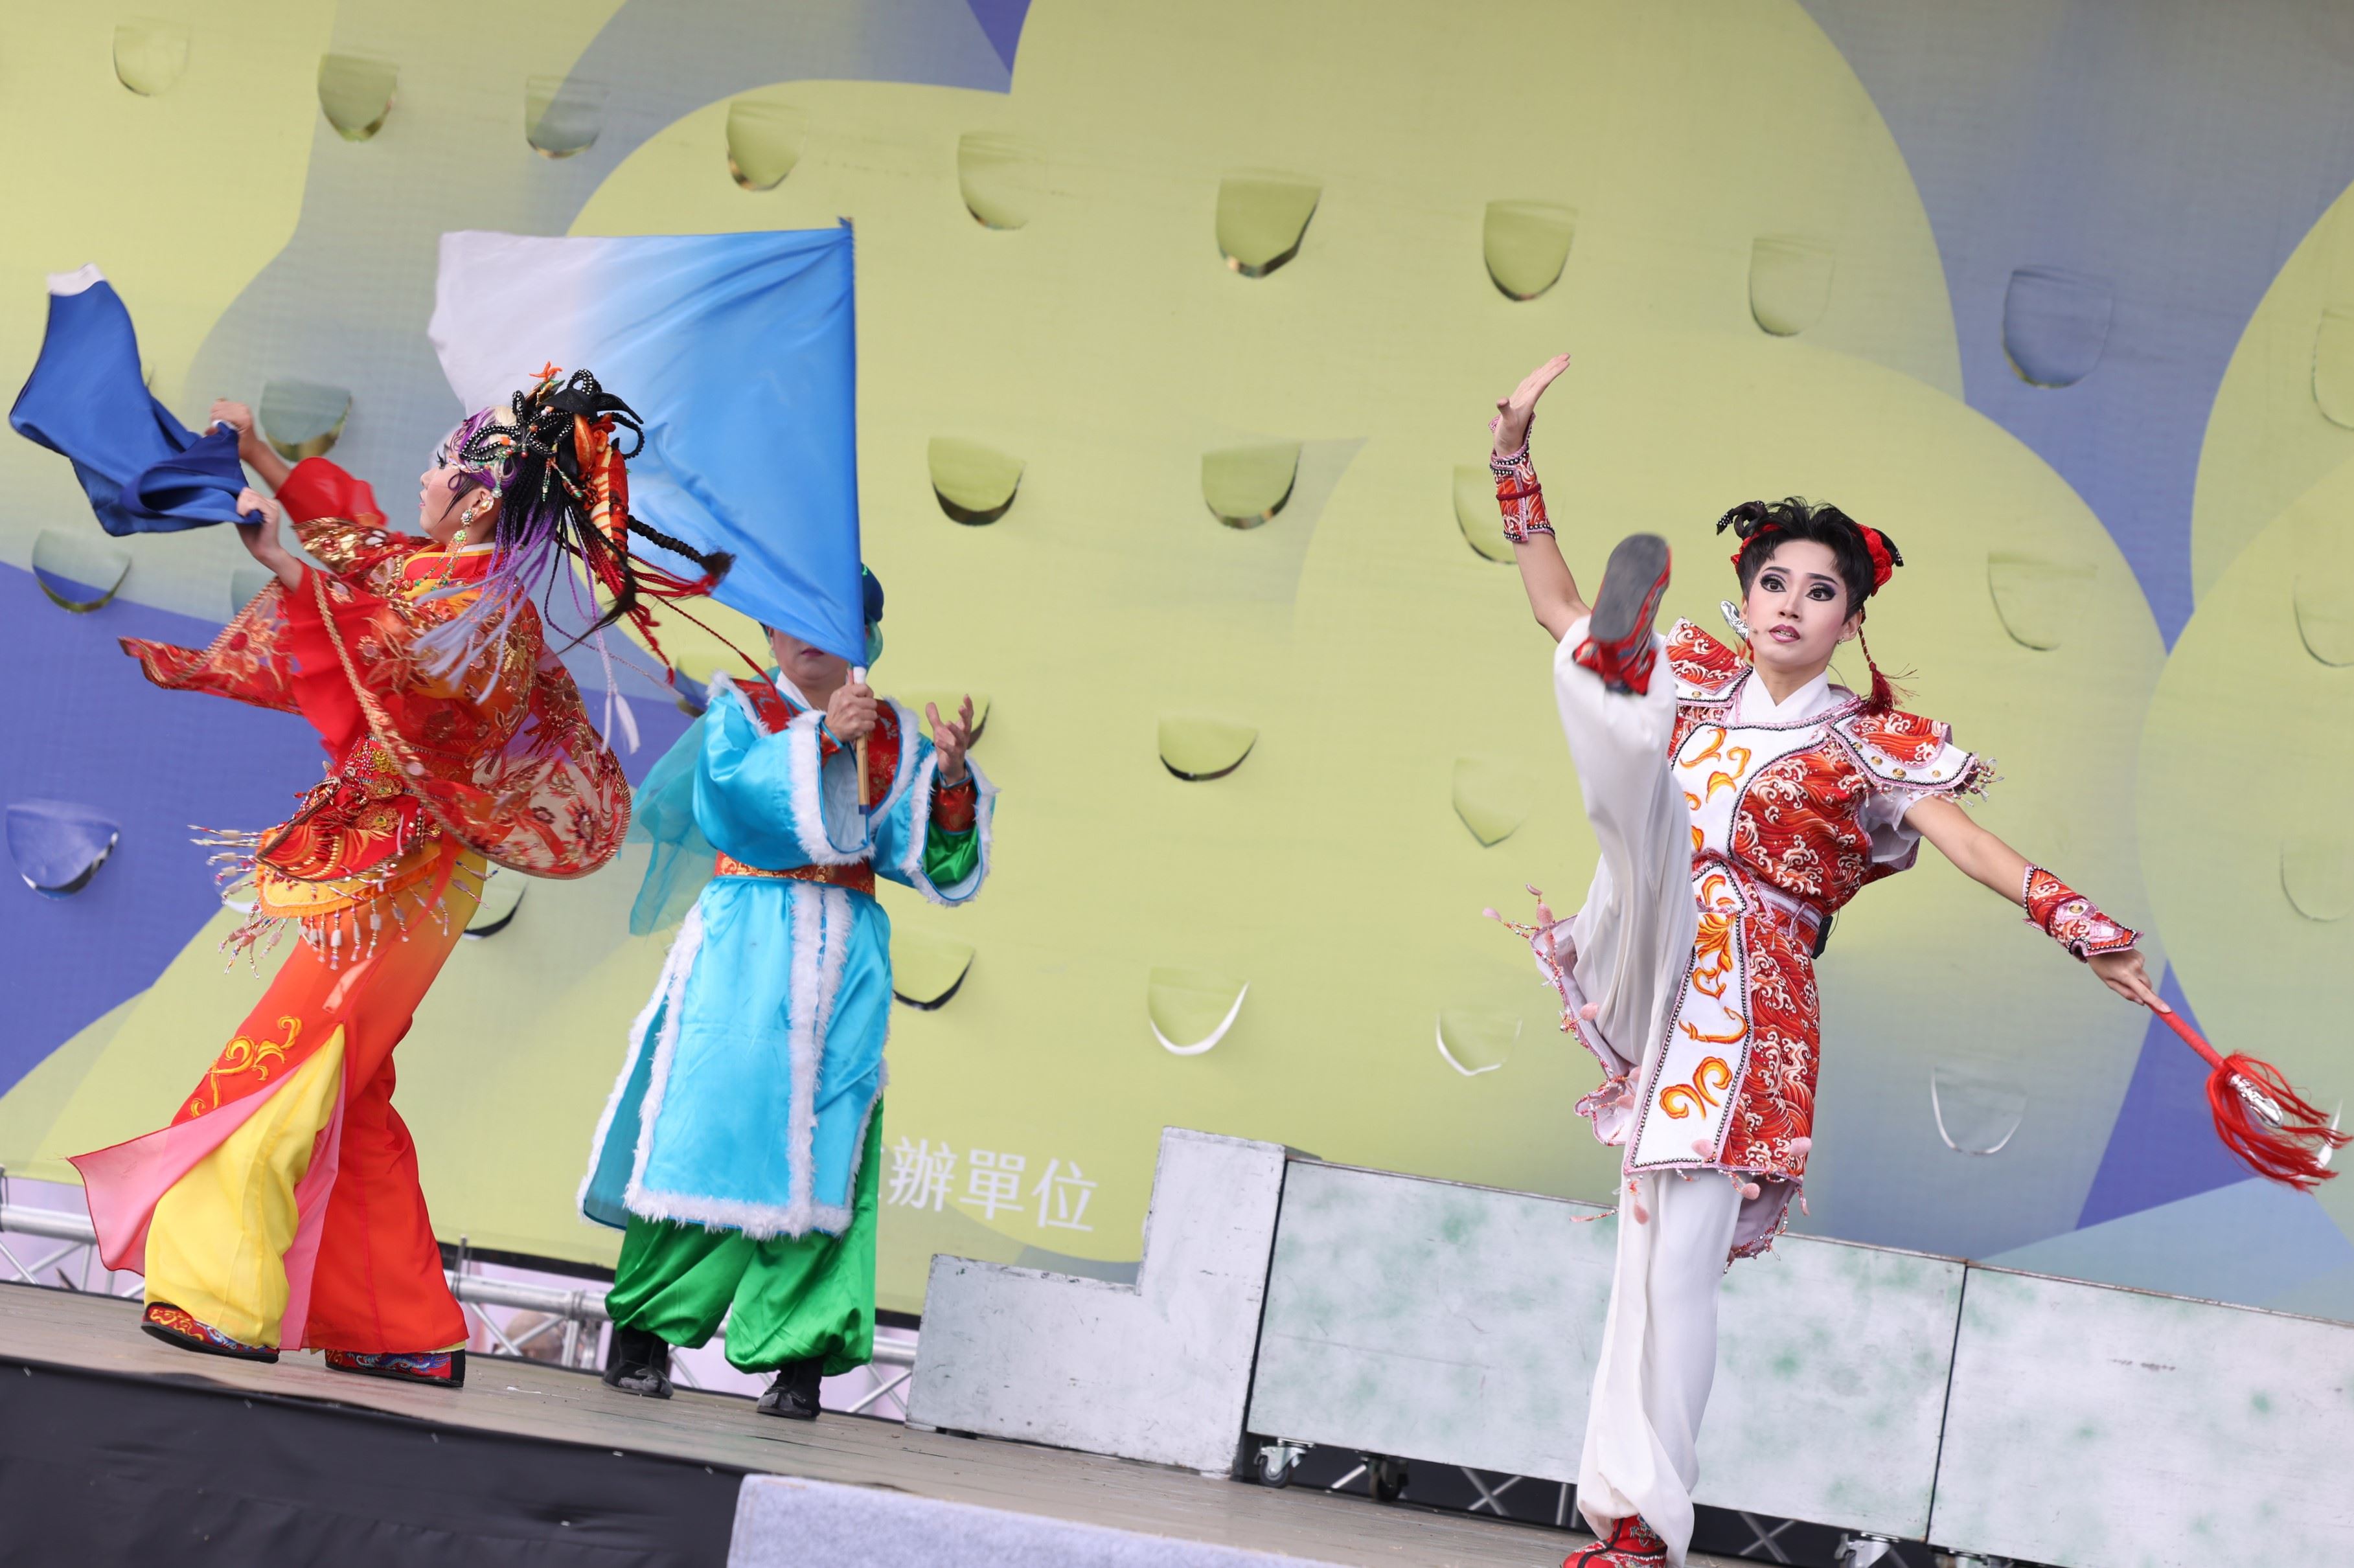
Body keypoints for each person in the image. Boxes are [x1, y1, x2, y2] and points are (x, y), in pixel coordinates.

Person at [1485, 354, 2159, 1568]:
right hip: (1661, 951)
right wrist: (1511, 459)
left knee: (1670, 1268)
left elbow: (1967, 843)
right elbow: (1551, 598)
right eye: (1772, 583)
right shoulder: (1700, 676)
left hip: (1750, 1006)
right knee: (1614, 703)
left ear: (1850, 621)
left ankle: (1636, 1524)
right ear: (1742, 599)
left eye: (1820, 591)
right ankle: (1614, 720)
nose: (1790, 604)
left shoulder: (1869, 742)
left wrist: (2079, 925)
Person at [71, 368, 724, 1387]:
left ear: (477, 500)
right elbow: (359, 545)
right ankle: (397, 1321)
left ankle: (220, 1295)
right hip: (394, 862)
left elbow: (392, 643)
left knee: (287, 1065)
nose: (422, 479)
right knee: (353, 1090)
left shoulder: (477, 607)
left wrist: (286, 569)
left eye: (438, 465)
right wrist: (260, 453)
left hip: (408, 874)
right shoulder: (445, 573)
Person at [580, 571, 992, 1420]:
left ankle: (799, 1358)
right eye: (791, 619)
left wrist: (949, 781)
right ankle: (645, 1334)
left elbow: (924, 860)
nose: (808, 636)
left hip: (848, 951)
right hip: (747, 935)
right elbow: (735, 808)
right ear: (769, 634)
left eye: (831, 620)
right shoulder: (743, 711)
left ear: (865, 637)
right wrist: (822, 740)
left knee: (828, 1140)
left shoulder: (895, 733)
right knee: (708, 1124)